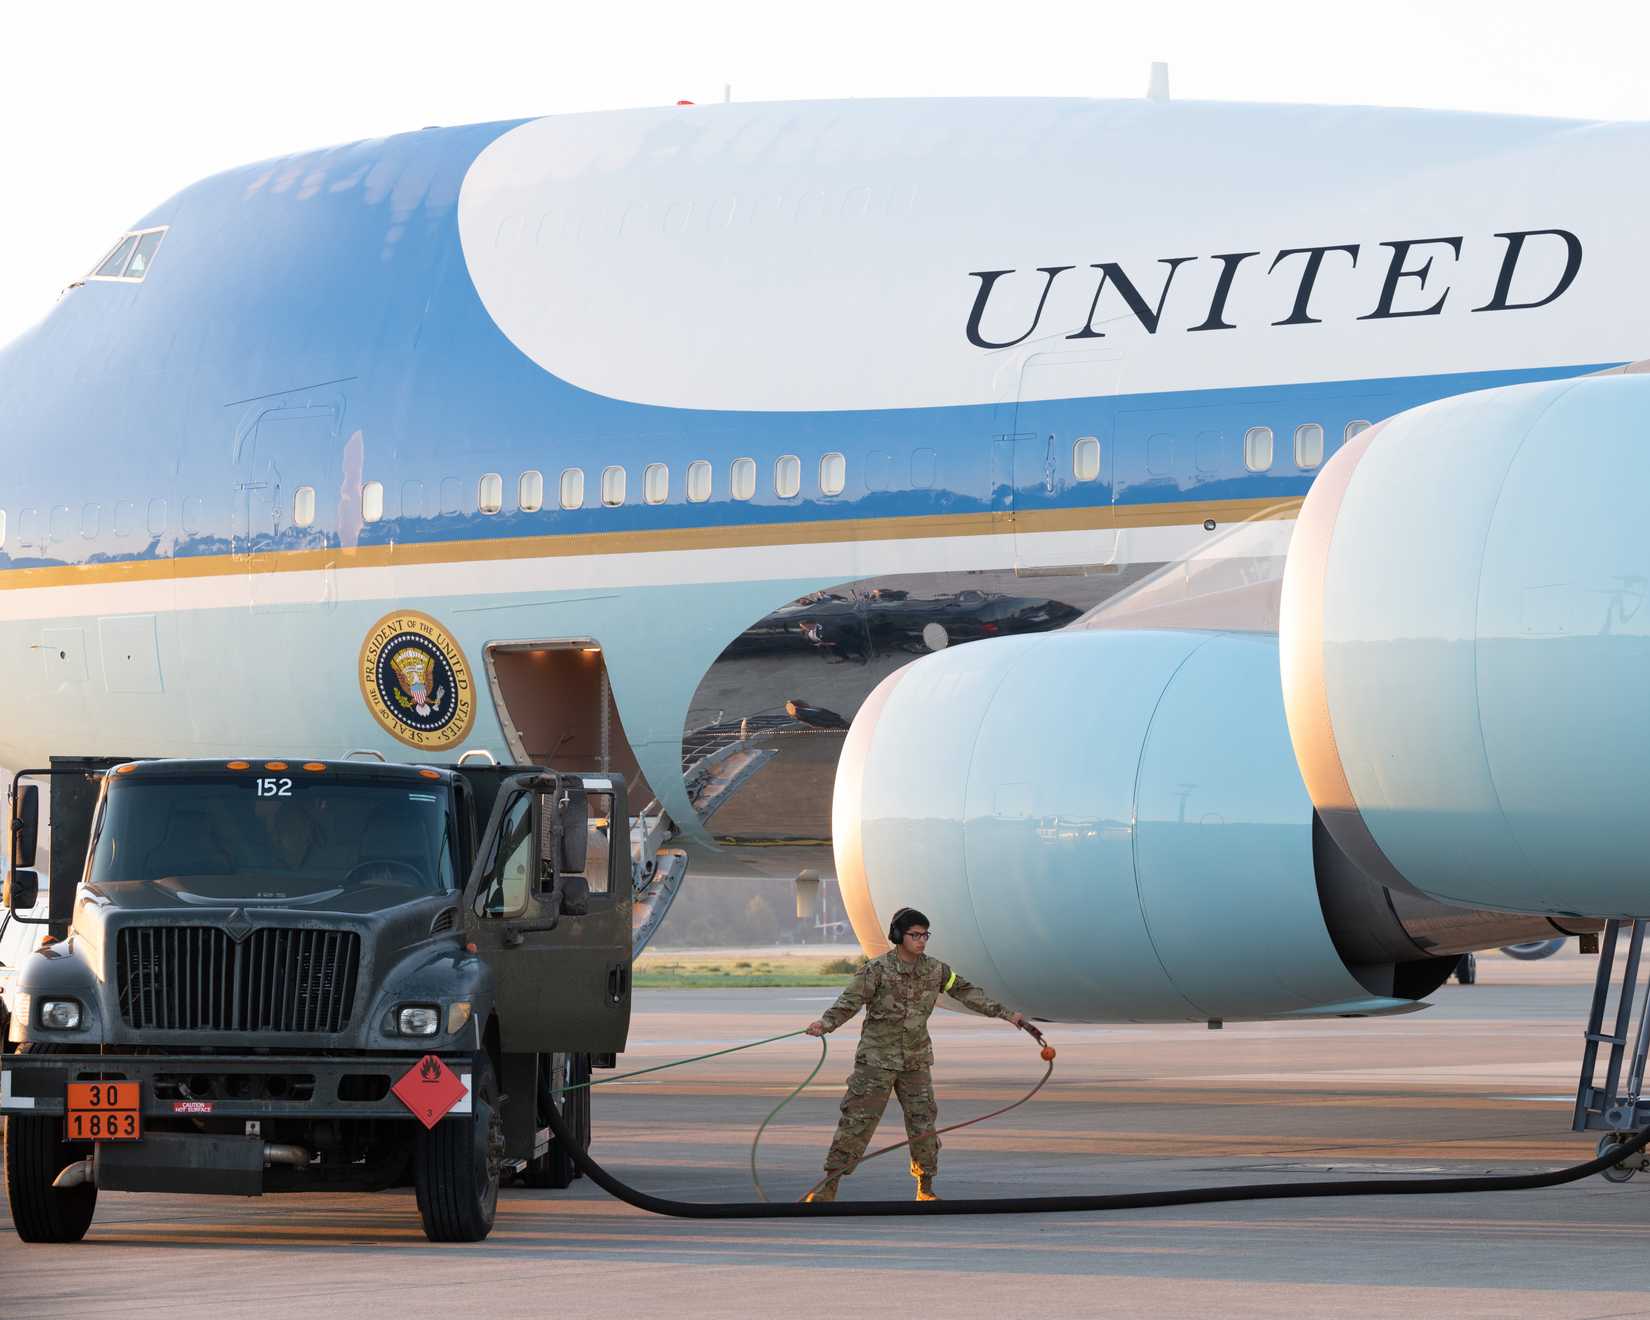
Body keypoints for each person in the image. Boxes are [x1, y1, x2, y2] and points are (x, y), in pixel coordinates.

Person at [803, 907, 1025, 1203]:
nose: (922, 940)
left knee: (923, 1125)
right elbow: (849, 1002)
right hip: (876, 1063)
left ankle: (926, 1186)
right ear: (898, 936)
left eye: (925, 935)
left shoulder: (936, 971)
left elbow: (968, 993)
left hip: (915, 1062)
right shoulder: (877, 970)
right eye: (915, 935)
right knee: (857, 1122)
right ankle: (829, 1185)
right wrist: (825, 1024)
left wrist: (1008, 1015)